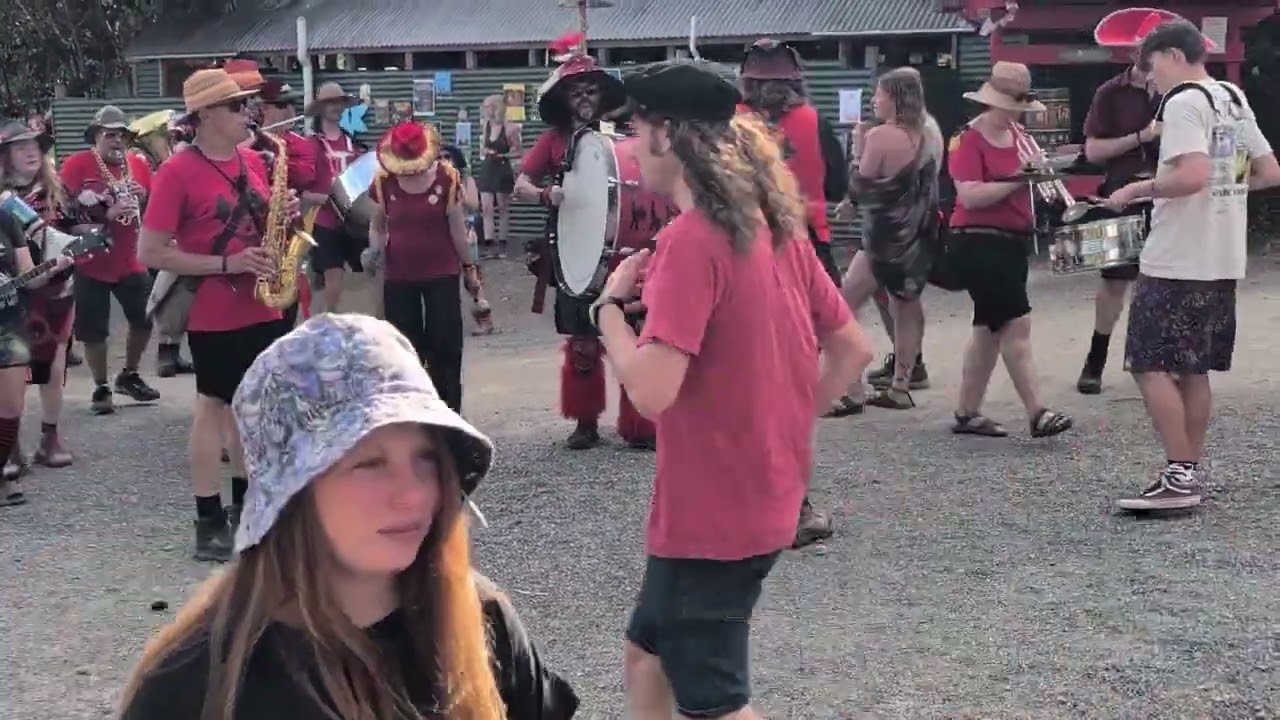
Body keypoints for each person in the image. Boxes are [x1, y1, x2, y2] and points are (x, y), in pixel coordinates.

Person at [116, 313, 578, 720]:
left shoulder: (481, 626)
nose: (413, 494)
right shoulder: (195, 687)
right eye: (369, 463)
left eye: (426, 459)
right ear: (292, 493)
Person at [593, 61, 871, 720]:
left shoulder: (691, 241)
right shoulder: (770, 222)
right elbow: (852, 349)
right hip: (754, 495)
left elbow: (652, 392)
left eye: (633, 128)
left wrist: (606, 312)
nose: (630, 145)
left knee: (714, 702)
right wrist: (777, 426)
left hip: (713, 514)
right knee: (647, 656)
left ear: (664, 135)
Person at [1104, 20, 1280, 510]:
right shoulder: (1231, 96)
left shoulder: (1183, 101)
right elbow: (1269, 172)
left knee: (1148, 362)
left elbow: (1193, 175)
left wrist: (1137, 189)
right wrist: (1227, 189)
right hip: (1222, 252)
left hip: (1178, 254)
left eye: (1151, 65)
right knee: (1192, 367)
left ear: (1174, 56)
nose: (1149, 78)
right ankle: (1188, 470)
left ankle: (1179, 477)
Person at [138, 68, 295, 562]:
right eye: (234, 105)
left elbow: (262, 229)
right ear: (204, 114)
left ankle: (248, 510)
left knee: (251, 411)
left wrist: (284, 216)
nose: (246, 111)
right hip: (213, 310)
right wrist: (226, 263)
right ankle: (208, 519)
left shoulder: (253, 160)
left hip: (261, 305)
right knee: (212, 406)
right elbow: (151, 251)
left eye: (246, 102)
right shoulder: (177, 172)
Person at [513, 35, 657, 451]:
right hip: (572, 253)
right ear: (564, 97)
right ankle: (585, 421)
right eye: (577, 90)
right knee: (581, 340)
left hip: (624, 252)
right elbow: (520, 184)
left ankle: (641, 423)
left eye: (591, 89)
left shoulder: (624, 136)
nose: (585, 97)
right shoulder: (553, 140)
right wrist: (544, 195)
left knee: (633, 334)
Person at [735, 38, 852, 546]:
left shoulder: (726, 125)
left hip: (744, 255)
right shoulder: (814, 122)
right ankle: (791, 505)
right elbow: (840, 188)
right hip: (807, 255)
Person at [946, 62, 1074, 439]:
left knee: (989, 327)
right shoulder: (966, 138)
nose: (1015, 114)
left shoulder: (1019, 135)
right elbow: (969, 195)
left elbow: (1031, 182)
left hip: (1011, 239)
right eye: (1009, 105)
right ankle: (1037, 411)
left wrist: (1047, 175)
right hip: (977, 237)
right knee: (1016, 321)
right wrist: (1020, 178)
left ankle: (967, 412)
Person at [840, 68, 942, 411]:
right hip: (918, 233)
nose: (873, 99)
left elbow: (862, 187)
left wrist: (857, 150)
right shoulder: (929, 134)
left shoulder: (881, 136)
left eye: (879, 94)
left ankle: (851, 385)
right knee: (906, 304)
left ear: (895, 98)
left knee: (844, 304)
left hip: (883, 237)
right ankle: (901, 385)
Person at [366, 121, 478, 414]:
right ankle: (411, 414)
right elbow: (377, 226)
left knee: (446, 345)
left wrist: (469, 268)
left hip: (442, 271)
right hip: (399, 275)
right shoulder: (384, 180)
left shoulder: (447, 177)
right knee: (404, 348)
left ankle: (450, 412)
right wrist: (374, 251)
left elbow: (457, 229)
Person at [59, 105, 162, 415]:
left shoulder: (138, 165)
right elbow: (63, 211)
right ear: (95, 136)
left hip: (131, 257)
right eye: (110, 135)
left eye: (122, 135)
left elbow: (154, 205)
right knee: (94, 330)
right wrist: (105, 214)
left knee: (145, 318)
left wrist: (142, 198)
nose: (117, 141)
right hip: (92, 259)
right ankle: (101, 386)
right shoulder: (77, 164)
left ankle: (129, 375)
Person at [1075, 53, 1162, 395]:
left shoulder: (1181, 93)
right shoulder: (1110, 92)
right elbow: (1093, 150)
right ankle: (1095, 359)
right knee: (1114, 281)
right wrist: (1140, 136)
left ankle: (1158, 360)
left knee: (1166, 280)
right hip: (1120, 194)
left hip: (1169, 195)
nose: (1147, 52)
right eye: (1142, 45)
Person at [0, 120, 79, 484]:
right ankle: (9, 443)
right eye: (20, 148)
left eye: (34, 145)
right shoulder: (4, 199)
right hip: (11, 299)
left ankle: (49, 435)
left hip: (51, 290)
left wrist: (92, 232)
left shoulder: (57, 192)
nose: (31, 152)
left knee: (50, 365)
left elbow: (78, 229)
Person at [128, 109, 198, 378]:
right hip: (157, 236)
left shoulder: (168, 163)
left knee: (180, 295)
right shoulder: (143, 163)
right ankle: (166, 355)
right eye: (162, 136)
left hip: (174, 234)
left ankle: (172, 354)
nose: (167, 139)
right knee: (168, 294)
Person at [251, 78, 318, 331]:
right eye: (282, 105)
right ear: (263, 109)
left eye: (292, 105)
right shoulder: (247, 142)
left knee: (285, 296)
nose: (291, 112)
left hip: (286, 227)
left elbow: (303, 176)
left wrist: (271, 155)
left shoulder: (299, 144)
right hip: (252, 230)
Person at [303, 82, 366, 312]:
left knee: (372, 273)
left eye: (339, 102)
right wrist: (327, 199)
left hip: (357, 222)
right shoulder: (309, 145)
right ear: (320, 108)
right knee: (332, 281)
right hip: (326, 223)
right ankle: (327, 327)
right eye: (330, 103)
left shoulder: (354, 144)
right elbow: (302, 192)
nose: (335, 107)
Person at [477, 94, 519, 259]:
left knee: (502, 207)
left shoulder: (510, 128)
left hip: (502, 167)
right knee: (486, 207)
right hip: (488, 167)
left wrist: (504, 155)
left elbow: (518, 151)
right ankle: (489, 245)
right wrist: (486, 151)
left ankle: (502, 245)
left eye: (487, 106)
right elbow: (482, 147)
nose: (485, 110)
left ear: (496, 107)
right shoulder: (486, 125)